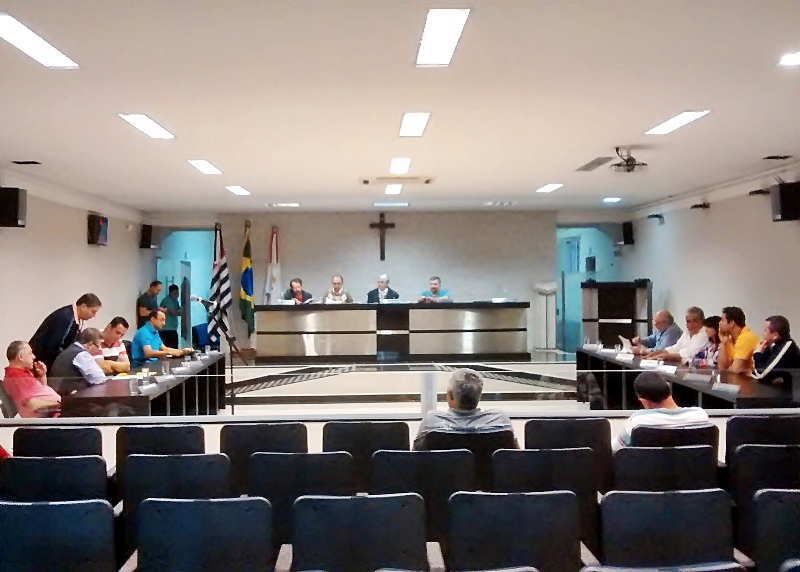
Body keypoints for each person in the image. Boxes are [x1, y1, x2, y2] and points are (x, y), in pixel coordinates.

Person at [413, 368, 517, 449]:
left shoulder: (431, 421)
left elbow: (415, 458)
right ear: (479, 396)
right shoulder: (500, 420)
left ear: (450, 395)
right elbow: (515, 457)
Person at [613, 371, 709, 452]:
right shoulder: (700, 416)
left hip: (649, 469)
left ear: (644, 402)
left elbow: (614, 450)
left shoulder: (638, 421)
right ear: (668, 386)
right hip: (692, 469)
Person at [29, 293, 102, 370]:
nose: (94, 316)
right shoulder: (65, 318)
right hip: (40, 362)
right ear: (83, 307)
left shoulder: (74, 318)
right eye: (93, 311)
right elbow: (54, 346)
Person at [3, 340, 61, 418]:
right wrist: (60, 404)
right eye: (30, 353)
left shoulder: (20, 374)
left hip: (52, 414)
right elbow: (33, 405)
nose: (34, 357)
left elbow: (40, 393)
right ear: (20, 357)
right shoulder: (16, 378)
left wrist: (42, 376)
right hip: (51, 418)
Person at [49, 328, 109, 394]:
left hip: (59, 392)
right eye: (98, 346)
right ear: (90, 345)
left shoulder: (71, 349)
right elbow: (99, 379)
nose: (99, 349)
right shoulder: (81, 355)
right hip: (71, 396)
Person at [753, 315, 800, 385]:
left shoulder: (786, 347)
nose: (762, 333)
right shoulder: (775, 344)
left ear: (775, 335)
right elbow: (759, 372)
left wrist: (758, 353)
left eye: (765, 331)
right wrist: (765, 351)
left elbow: (761, 375)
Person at [718, 306, 760, 373]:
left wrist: (726, 371)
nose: (719, 323)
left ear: (732, 323)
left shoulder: (746, 337)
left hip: (755, 378)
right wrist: (723, 344)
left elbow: (736, 369)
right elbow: (722, 368)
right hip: (740, 378)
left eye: (722, 320)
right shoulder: (730, 339)